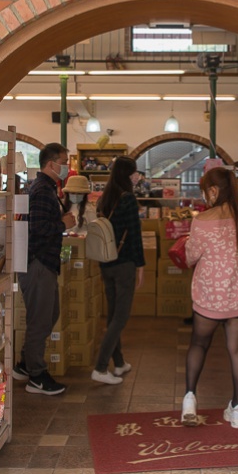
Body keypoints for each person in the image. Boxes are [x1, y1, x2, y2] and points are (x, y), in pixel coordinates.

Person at [180, 166, 238, 430]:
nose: (205, 197)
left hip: (209, 296)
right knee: (237, 350)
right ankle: (237, 409)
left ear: (213, 190)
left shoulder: (202, 220)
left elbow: (190, 256)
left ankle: (190, 400)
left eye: (205, 191)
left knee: (199, 345)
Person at [13, 142, 76, 395]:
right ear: (51, 164)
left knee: (49, 315)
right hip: (38, 263)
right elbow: (37, 230)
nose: (67, 167)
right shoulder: (41, 190)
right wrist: (62, 223)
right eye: (64, 162)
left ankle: (25, 364)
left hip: (44, 263)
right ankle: (37, 377)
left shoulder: (47, 188)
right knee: (40, 320)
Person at [91, 156, 145, 385]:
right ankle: (101, 368)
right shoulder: (129, 199)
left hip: (106, 263)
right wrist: (141, 266)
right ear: (128, 175)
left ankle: (119, 363)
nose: (137, 176)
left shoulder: (105, 198)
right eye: (134, 172)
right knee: (120, 318)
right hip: (124, 265)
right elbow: (134, 236)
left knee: (113, 314)